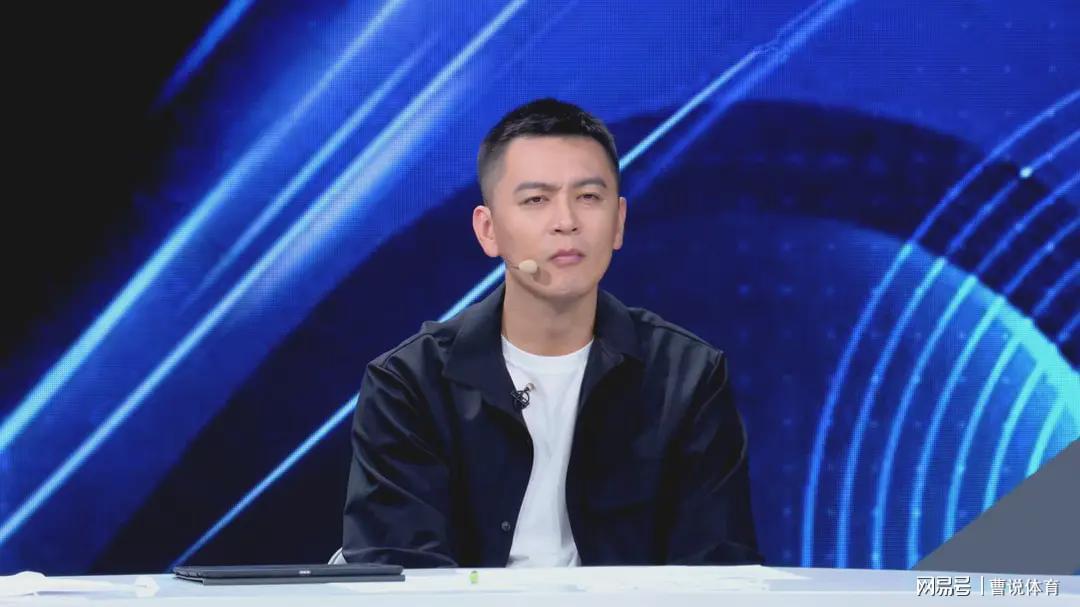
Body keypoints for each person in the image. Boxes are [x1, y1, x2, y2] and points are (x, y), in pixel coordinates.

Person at [343, 98, 760, 568]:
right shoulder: (409, 385)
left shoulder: (688, 378)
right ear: (488, 230)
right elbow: (401, 576)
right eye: (536, 200)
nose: (566, 222)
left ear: (618, 222)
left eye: (589, 197)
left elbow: (717, 572)